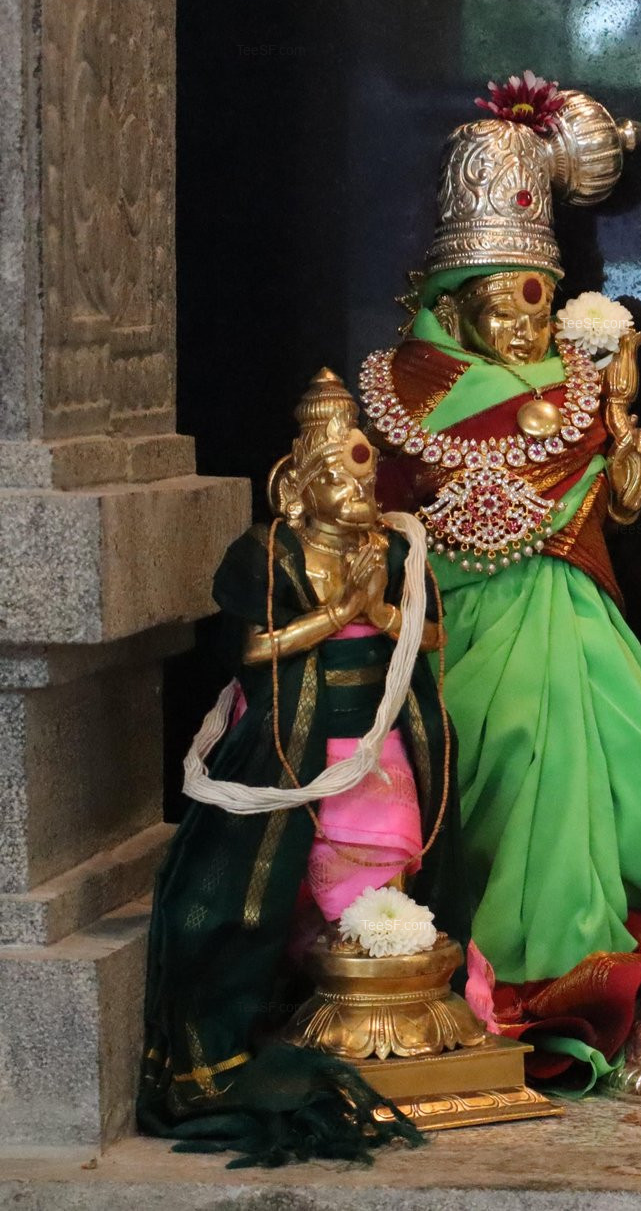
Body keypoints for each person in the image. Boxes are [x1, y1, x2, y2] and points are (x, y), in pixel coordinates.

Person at [361, 77, 641, 1084]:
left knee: (590, 760)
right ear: (459, 305)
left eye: (538, 302)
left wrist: (622, 483)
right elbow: (380, 517)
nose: (525, 327)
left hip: (567, 615)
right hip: (451, 631)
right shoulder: (403, 388)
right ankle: (502, 968)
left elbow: (597, 508)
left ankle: (576, 961)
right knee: (499, 759)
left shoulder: (576, 382)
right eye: (504, 305)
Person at [140, 370, 462, 1164]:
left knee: (387, 860)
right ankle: (290, 1006)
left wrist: (383, 610)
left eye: (363, 477)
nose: (354, 494)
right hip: (291, 738)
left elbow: (429, 640)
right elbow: (250, 649)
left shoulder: (394, 544)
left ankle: (366, 994)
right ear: (296, 488)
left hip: (376, 733)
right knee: (267, 884)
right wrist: (339, 613)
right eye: (334, 479)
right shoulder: (266, 551)